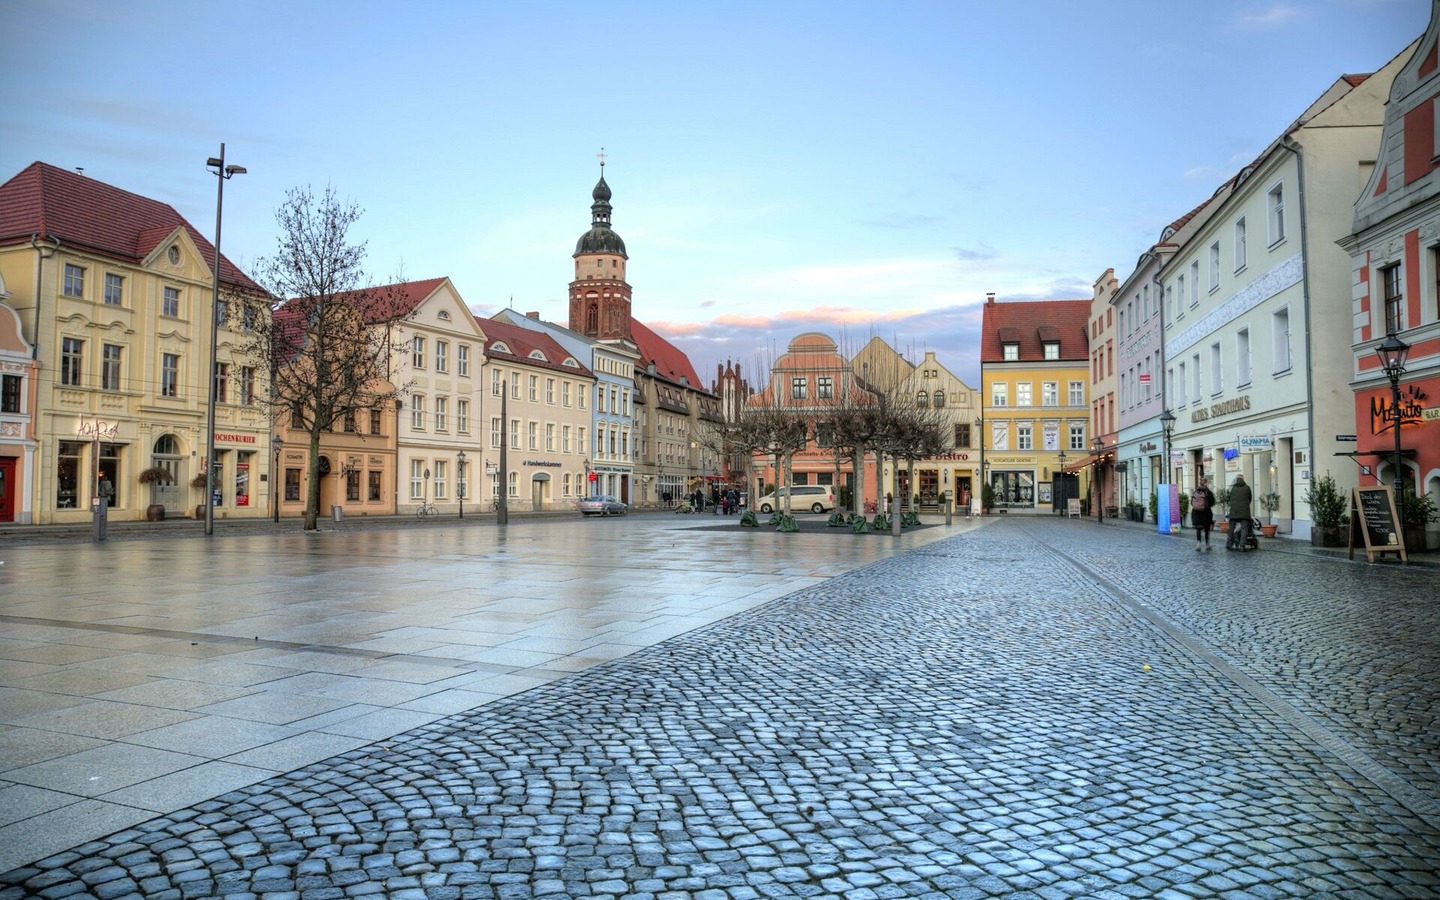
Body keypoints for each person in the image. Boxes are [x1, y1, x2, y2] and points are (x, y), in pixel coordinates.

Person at [1227, 474, 1253, 551]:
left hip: (1234, 511)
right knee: (1244, 528)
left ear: (1236, 479)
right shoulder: (1247, 488)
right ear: (1243, 479)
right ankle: (1242, 546)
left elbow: (1228, 498)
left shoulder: (1232, 488)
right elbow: (1249, 499)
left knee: (1231, 528)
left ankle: (1229, 544)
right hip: (1244, 512)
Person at [1191, 477, 1217, 551]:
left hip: (1196, 513)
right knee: (1206, 528)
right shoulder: (1208, 492)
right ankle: (1207, 544)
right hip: (1206, 513)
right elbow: (1212, 502)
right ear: (1206, 483)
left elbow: (1192, 503)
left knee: (1198, 528)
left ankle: (1198, 543)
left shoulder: (1195, 492)